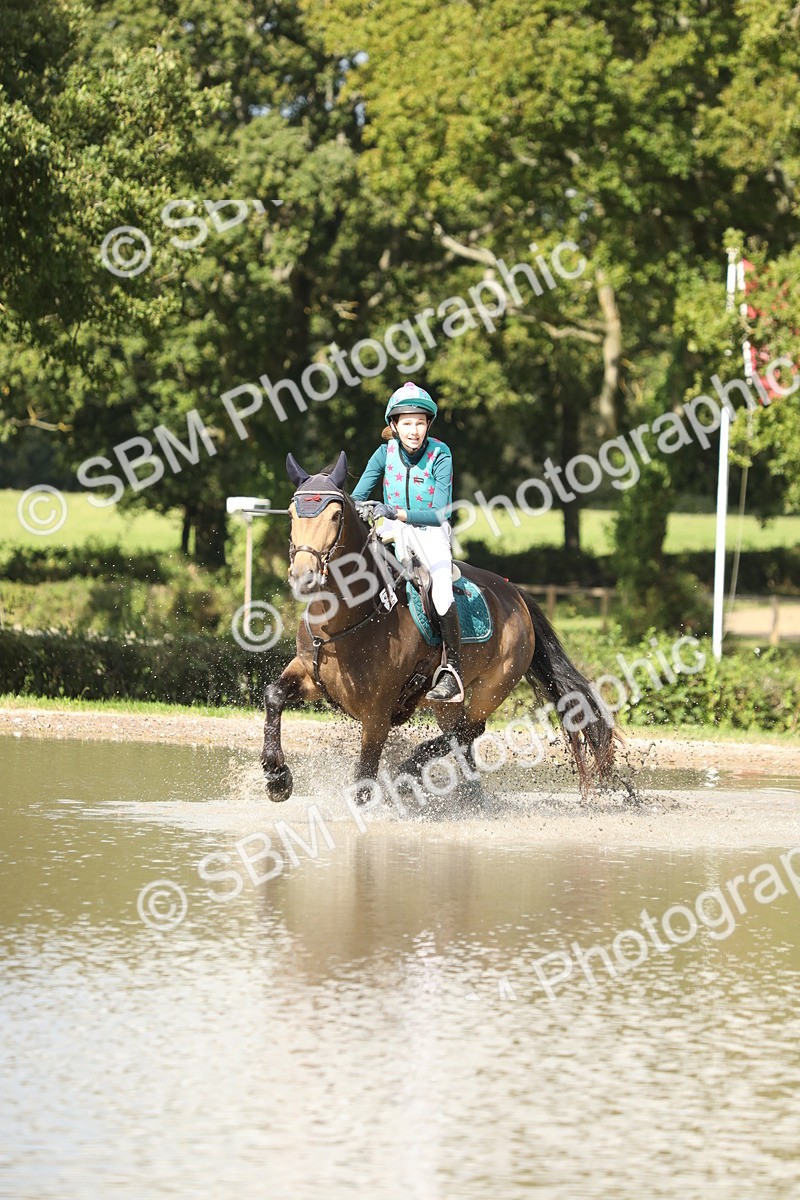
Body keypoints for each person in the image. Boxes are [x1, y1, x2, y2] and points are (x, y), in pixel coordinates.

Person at [351, 381, 464, 702]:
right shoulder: (383, 453)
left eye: (419, 423)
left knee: (440, 589)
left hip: (431, 534)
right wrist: (353, 506)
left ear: (428, 425)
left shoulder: (440, 454)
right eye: (407, 423)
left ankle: (452, 672)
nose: (414, 430)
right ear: (394, 425)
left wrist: (392, 511)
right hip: (393, 529)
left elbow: (439, 513)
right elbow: (357, 497)